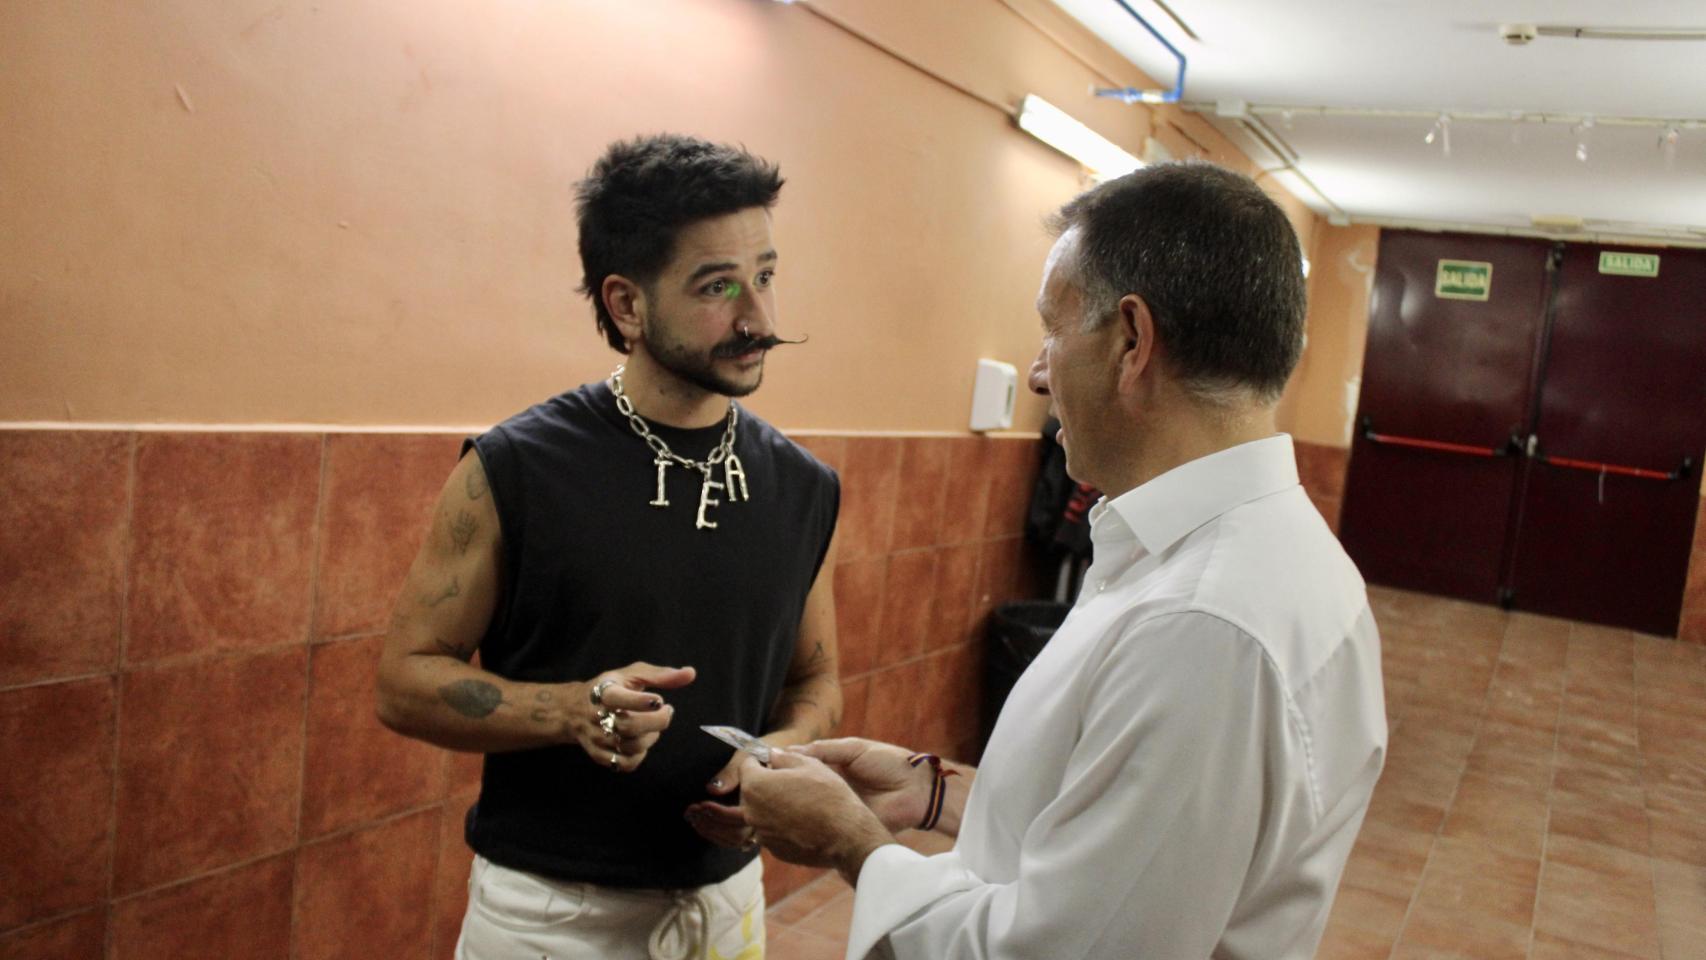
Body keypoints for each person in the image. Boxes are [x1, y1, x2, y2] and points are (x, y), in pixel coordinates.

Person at [740, 162, 1386, 959]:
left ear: (1131, 341)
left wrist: (851, 843)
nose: (1038, 372)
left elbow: (1063, 947)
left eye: (1052, 329)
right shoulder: (1256, 556)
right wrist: (940, 795)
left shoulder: (1202, 625)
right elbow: (1131, 854)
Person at [376, 133, 842, 960]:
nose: (759, 319)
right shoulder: (515, 469)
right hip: (550, 918)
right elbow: (403, 682)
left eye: (766, 276)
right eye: (718, 286)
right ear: (627, 305)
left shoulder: (804, 488)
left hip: (727, 907)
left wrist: (781, 755)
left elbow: (815, 684)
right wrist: (572, 710)